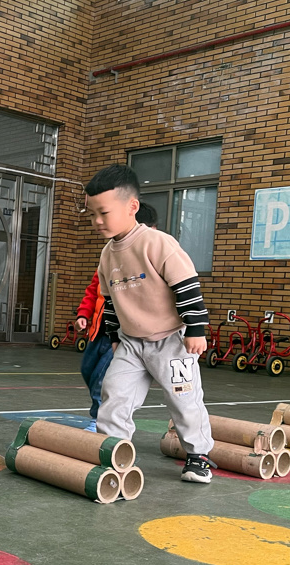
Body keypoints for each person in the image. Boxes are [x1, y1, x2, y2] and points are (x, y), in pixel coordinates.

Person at [86, 165, 216, 483]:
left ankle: (198, 455)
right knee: (114, 395)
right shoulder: (107, 255)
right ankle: (114, 453)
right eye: (92, 214)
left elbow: (187, 286)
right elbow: (111, 300)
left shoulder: (157, 243)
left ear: (132, 206)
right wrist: (113, 336)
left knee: (183, 400)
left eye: (104, 213)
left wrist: (196, 329)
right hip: (131, 343)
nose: (97, 221)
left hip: (172, 341)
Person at [75, 203, 158, 432]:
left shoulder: (150, 260)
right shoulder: (110, 258)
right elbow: (93, 291)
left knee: (104, 378)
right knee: (88, 370)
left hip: (122, 336)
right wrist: (84, 314)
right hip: (99, 331)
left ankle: (99, 420)